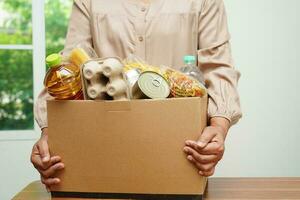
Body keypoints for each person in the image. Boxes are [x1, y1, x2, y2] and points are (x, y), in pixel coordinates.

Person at [31, 0, 242, 189]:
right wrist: (50, 135)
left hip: (179, 151)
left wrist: (218, 128)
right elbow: (70, 66)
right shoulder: (89, 2)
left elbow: (218, 67)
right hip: (104, 148)